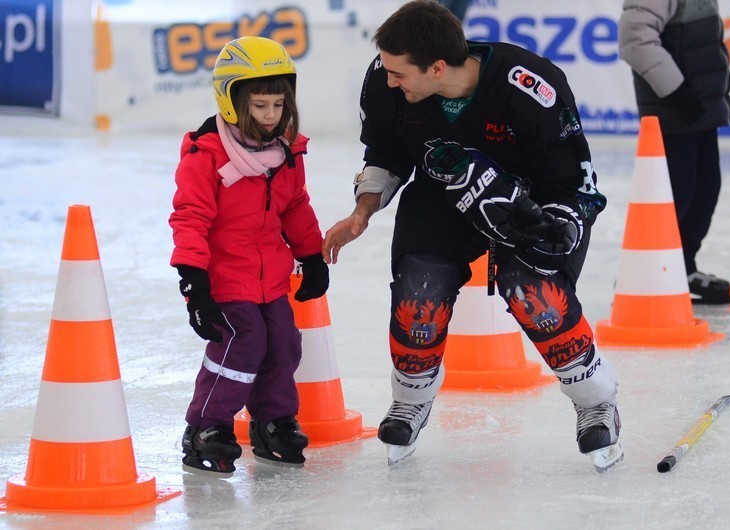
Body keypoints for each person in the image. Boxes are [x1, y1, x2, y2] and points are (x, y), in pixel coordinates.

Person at [322, 0, 622, 472]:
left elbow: (572, 178)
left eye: (400, 74)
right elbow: (385, 152)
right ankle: (411, 401)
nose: (389, 81)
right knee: (419, 293)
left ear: (437, 67)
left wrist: (562, 225)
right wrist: (362, 212)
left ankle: (596, 402)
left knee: (535, 295)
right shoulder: (385, 79)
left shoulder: (531, 86)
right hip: (441, 196)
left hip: (534, 202)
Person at [169, 36, 329, 477]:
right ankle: (207, 426)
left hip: (270, 278)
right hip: (223, 279)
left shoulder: (285, 152)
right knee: (243, 343)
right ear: (232, 99)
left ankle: (272, 422)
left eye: (278, 105)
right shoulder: (207, 155)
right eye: (260, 106)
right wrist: (193, 283)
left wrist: (311, 256)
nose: (270, 116)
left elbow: (295, 206)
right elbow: (191, 218)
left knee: (283, 342)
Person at [619, 0, 730, 304]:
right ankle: (641, 275)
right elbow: (634, 39)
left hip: (699, 108)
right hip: (672, 107)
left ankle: (681, 268)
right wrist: (676, 90)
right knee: (675, 196)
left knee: (704, 190)